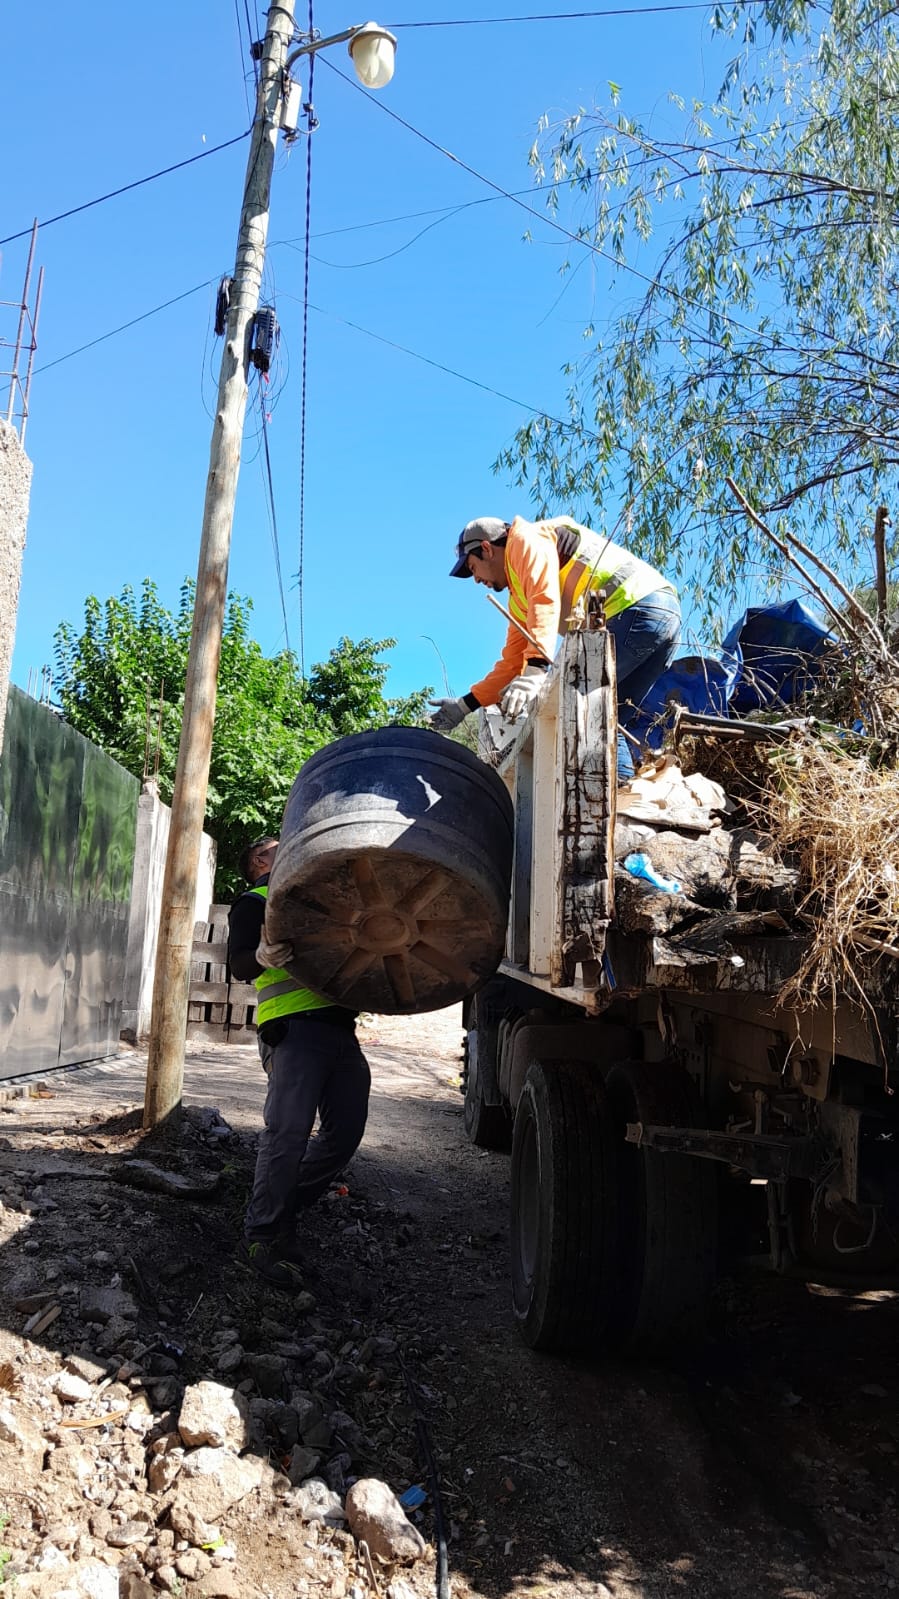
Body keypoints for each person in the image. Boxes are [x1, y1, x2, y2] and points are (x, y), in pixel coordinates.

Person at [429, 514, 680, 778]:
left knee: (583, 716)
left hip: (634, 609)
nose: (476, 580)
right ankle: (626, 801)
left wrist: (535, 672)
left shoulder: (526, 540)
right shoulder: (519, 597)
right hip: (662, 615)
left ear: (487, 549)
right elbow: (513, 663)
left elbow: (544, 600)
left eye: (472, 568)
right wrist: (465, 705)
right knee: (606, 721)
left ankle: (613, 802)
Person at [227, 835, 371, 1289]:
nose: (284, 845)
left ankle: (278, 1209)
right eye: (272, 846)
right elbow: (238, 964)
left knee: (345, 1132)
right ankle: (263, 1235)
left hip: (338, 1030)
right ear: (258, 861)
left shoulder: (322, 893)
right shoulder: (253, 901)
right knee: (287, 1133)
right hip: (291, 1028)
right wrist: (259, 956)